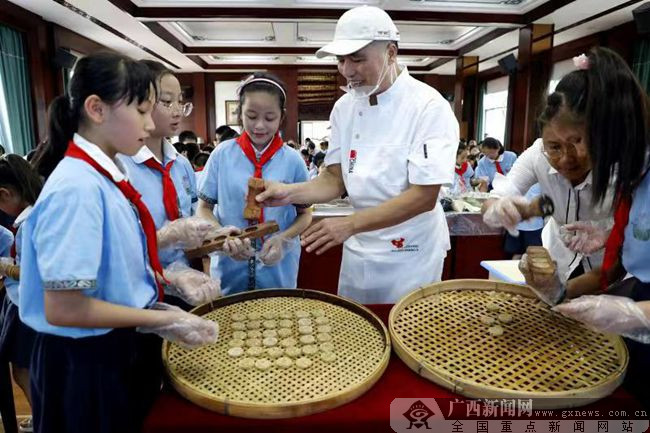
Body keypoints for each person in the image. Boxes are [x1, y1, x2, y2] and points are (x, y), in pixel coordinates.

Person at [18, 52, 217, 433]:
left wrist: (168, 282)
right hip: (84, 361)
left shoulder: (106, 176)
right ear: (96, 109)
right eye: (142, 110)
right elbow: (65, 308)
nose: (149, 122)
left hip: (116, 349)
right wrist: (161, 318)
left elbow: (113, 267)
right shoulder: (76, 188)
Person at [256, 6, 458, 304]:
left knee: (406, 335)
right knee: (358, 330)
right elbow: (335, 179)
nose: (348, 70)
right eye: (341, 60)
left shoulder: (428, 107)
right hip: (360, 244)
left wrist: (349, 224)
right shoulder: (345, 107)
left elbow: (424, 196)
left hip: (410, 251)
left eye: (358, 59)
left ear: (391, 53)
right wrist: (289, 193)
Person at [514, 48, 650, 408]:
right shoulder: (636, 177)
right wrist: (561, 291)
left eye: (579, 144)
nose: (570, 160)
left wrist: (636, 313)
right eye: (555, 147)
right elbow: (621, 271)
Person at [481, 56, 616, 282]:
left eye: (577, 144)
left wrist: (612, 235)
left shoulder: (624, 164)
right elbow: (499, 195)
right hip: (558, 264)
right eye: (553, 146)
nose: (565, 159)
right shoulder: (537, 154)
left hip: (613, 271)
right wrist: (497, 208)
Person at [196, 73, 312, 295]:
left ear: (282, 117)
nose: (259, 126)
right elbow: (203, 207)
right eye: (251, 116)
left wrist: (283, 239)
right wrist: (222, 234)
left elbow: (305, 214)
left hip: (278, 268)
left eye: (269, 118)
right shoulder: (222, 154)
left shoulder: (293, 160)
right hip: (230, 266)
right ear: (239, 114)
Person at [116, 60, 220, 309]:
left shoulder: (180, 164)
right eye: (166, 102)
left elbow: (191, 220)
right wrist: (165, 238)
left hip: (187, 285)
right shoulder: (120, 167)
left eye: (180, 102)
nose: (177, 111)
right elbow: (117, 248)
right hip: (138, 294)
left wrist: (217, 236)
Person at [0, 155, 43, 433]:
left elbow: (34, 274)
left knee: (25, 371)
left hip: (29, 306)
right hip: (26, 304)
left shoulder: (29, 223)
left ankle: (44, 419)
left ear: (5, 193)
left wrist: (5, 266)